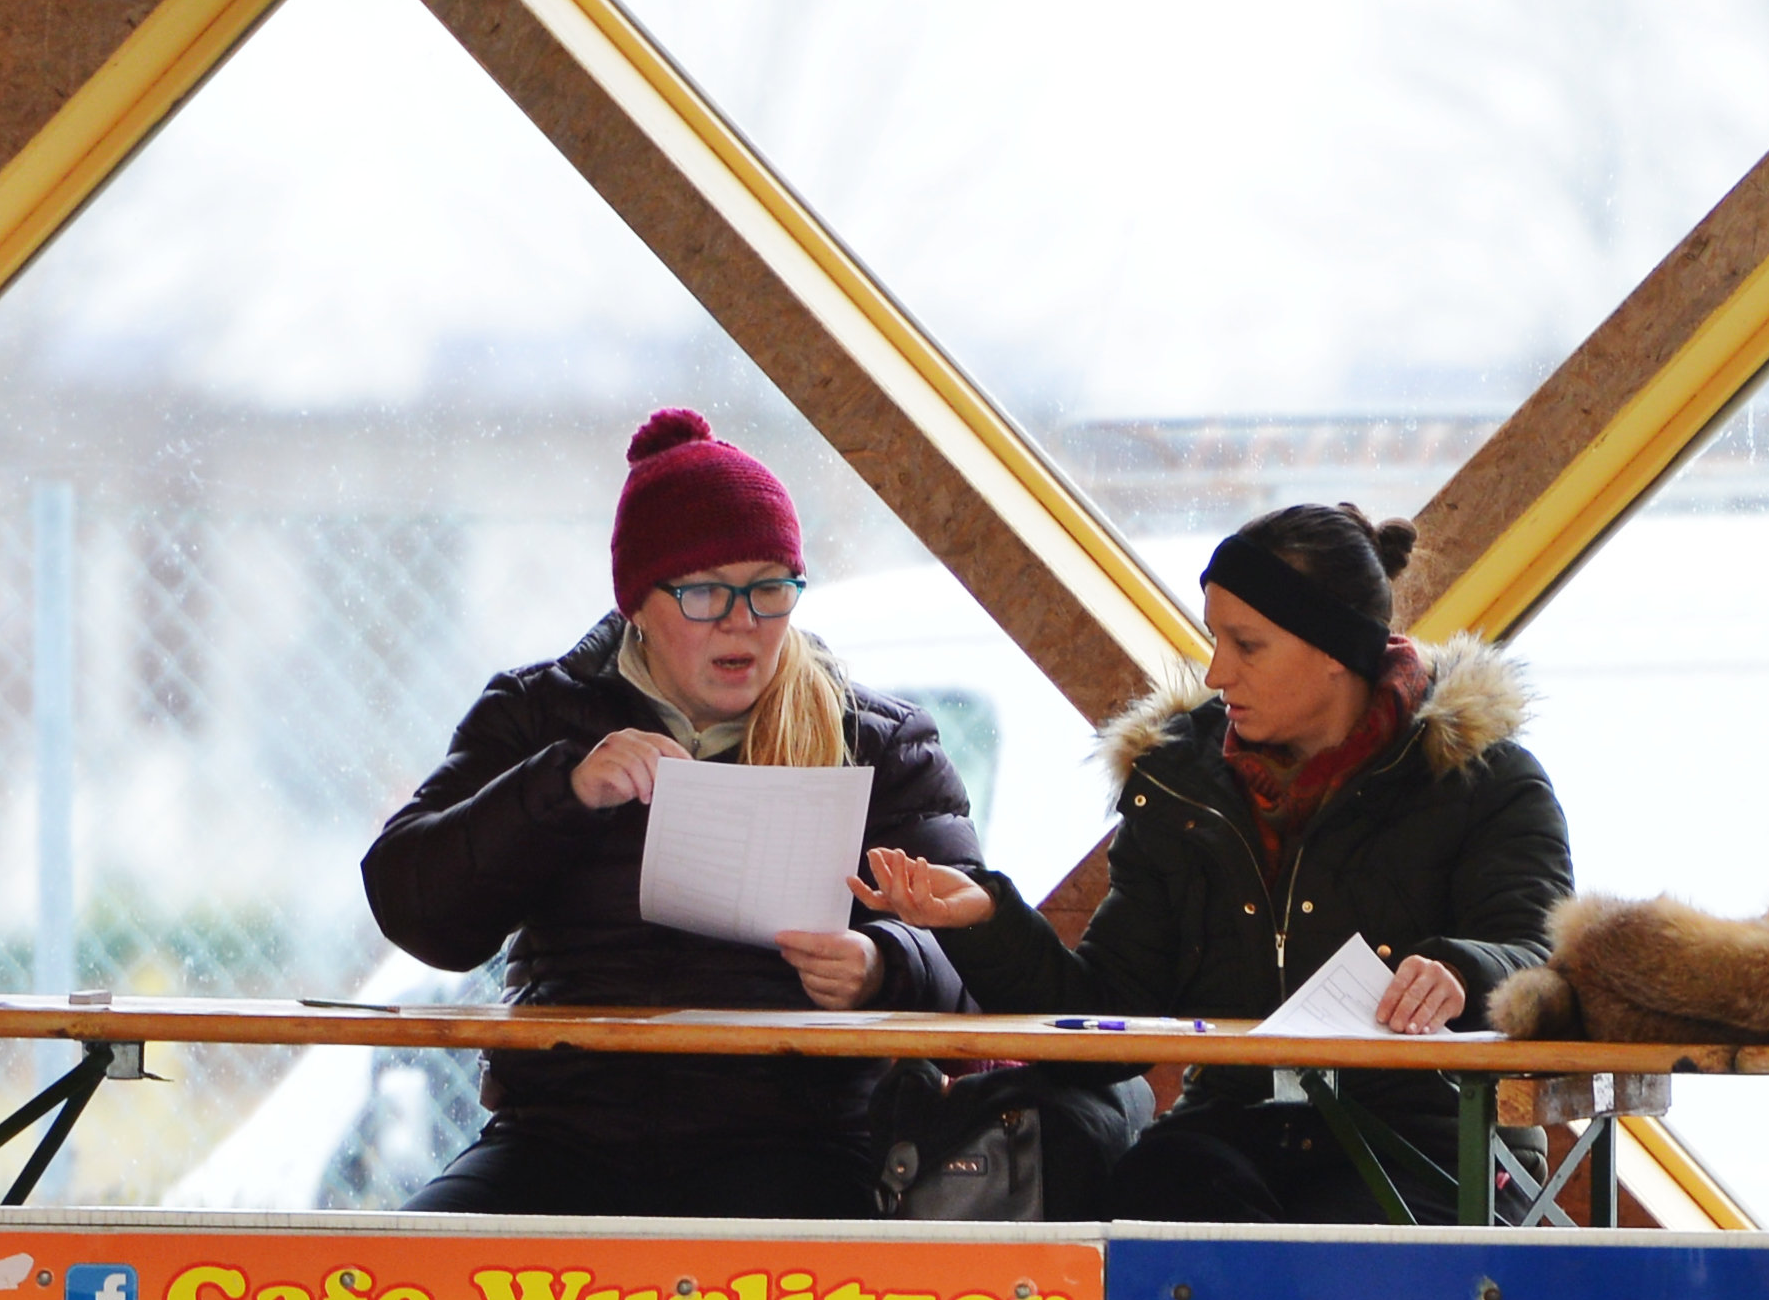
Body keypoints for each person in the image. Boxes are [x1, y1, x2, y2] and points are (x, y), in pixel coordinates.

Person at [856, 500, 1565, 1222]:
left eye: (1247, 645)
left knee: (1345, 1246)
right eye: (1214, 639)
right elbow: (1109, 1015)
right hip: (1234, 1129)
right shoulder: (1180, 782)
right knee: (1153, 1196)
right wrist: (985, 921)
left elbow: (1545, 961)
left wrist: (1462, 971)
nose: (1218, 672)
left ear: (1336, 651)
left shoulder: (1486, 780)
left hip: (1434, 1141)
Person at [361, 409, 981, 1218]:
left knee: (821, 1266)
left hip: (797, 1140)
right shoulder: (537, 716)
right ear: (638, 605)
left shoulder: (875, 741)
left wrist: (881, 965)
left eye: (769, 588)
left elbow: (979, 954)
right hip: (561, 1135)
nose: (742, 620)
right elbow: (414, 907)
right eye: (705, 591)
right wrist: (563, 791)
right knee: (405, 1271)